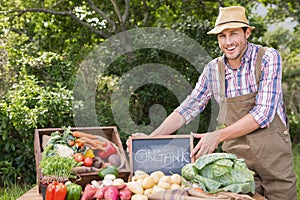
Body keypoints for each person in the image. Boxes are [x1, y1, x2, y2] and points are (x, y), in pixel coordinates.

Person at [128, 6, 297, 199]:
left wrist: (217, 136)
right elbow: (189, 107)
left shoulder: (268, 58)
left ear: (247, 32)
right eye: (222, 36)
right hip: (235, 164)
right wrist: (149, 140)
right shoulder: (213, 70)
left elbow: (263, 113)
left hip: (273, 156)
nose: (228, 42)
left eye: (233, 34)